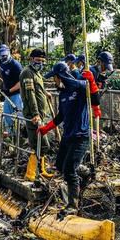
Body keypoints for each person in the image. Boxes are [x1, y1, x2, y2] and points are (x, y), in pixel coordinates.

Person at [38, 62, 91, 211]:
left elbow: (93, 95)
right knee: (60, 165)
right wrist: (46, 128)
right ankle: (86, 172)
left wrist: (91, 81)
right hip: (68, 135)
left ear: (60, 77)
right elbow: (61, 116)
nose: (53, 82)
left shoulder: (80, 88)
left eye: (54, 78)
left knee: (69, 170)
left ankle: (73, 205)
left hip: (81, 136)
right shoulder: (63, 94)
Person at [0, 44, 23, 137]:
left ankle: (22, 135)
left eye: (5, 55)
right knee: (7, 114)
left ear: (9, 53)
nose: (3, 57)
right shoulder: (2, 62)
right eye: (1, 56)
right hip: (7, 93)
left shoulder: (16, 65)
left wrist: (10, 90)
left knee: (19, 114)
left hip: (17, 94)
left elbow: (21, 82)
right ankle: (11, 135)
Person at [20, 48, 50, 152]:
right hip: (34, 116)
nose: (40, 63)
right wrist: (35, 114)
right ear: (31, 59)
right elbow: (30, 94)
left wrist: (45, 93)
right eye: (38, 60)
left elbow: (37, 88)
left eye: (42, 61)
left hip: (40, 115)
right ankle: (34, 168)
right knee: (40, 145)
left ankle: (40, 167)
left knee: (40, 146)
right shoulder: (28, 72)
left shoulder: (36, 73)